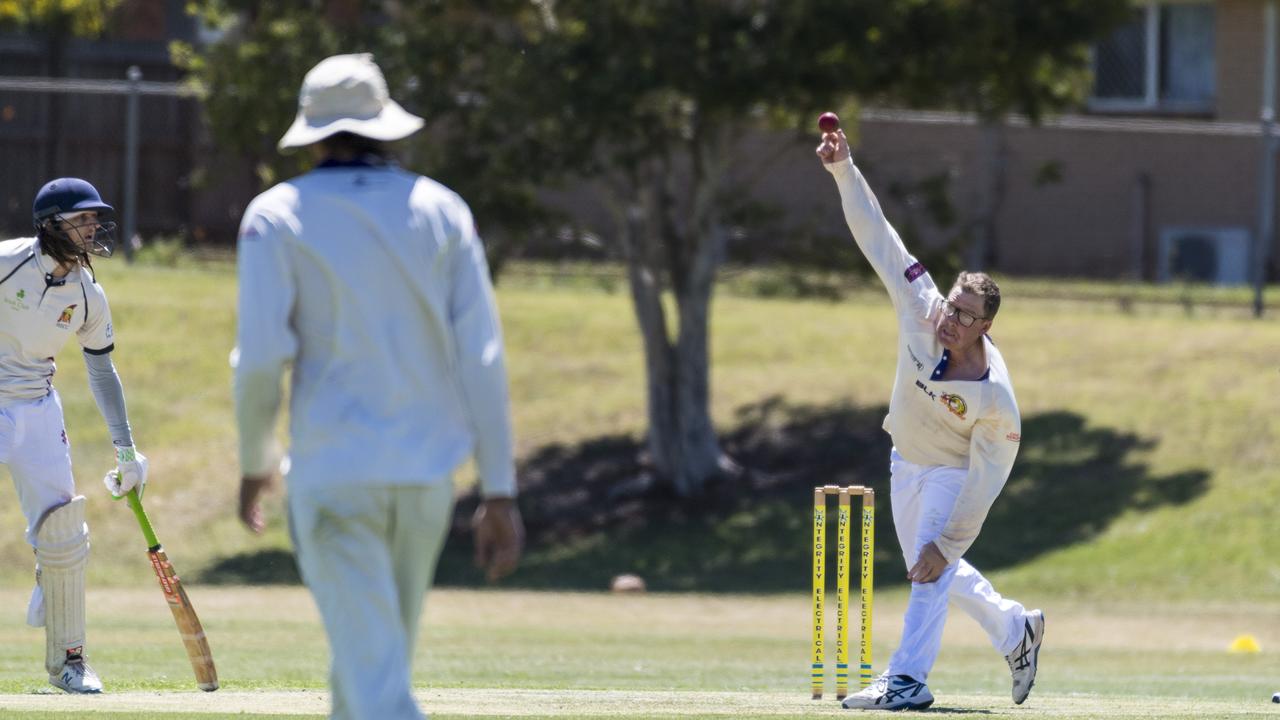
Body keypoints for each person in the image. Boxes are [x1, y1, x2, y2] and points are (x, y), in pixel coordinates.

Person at [233, 53, 525, 720]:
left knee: (377, 690)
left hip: (334, 472)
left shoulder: (274, 215)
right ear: (386, 126)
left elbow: (259, 358)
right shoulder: (443, 209)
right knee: (365, 678)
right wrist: (499, 487)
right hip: (425, 481)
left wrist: (253, 462)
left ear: (312, 129)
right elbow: (482, 356)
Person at [815, 129, 1043, 710]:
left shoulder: (994, 398)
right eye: (953, 307)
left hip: (952, 470)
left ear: (986, 326)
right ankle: (1016, 629)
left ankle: (907, 683)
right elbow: (880, 237)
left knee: (931, 566)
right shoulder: (923, 305)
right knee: (931, 565)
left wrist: (951, 540)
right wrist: (844, 169)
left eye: (966, 317)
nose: (951, 321)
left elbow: (988, 479)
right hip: (905, 458)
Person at [0, 178, 149, 694]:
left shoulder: (89, 295)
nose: (92, 227)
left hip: (36, 405)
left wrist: (126, 449)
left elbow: (102, 373)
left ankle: (69, 663)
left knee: (64, 529)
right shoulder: (8, 262)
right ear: (49, 225)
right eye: (80, 219)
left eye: (94, 219)